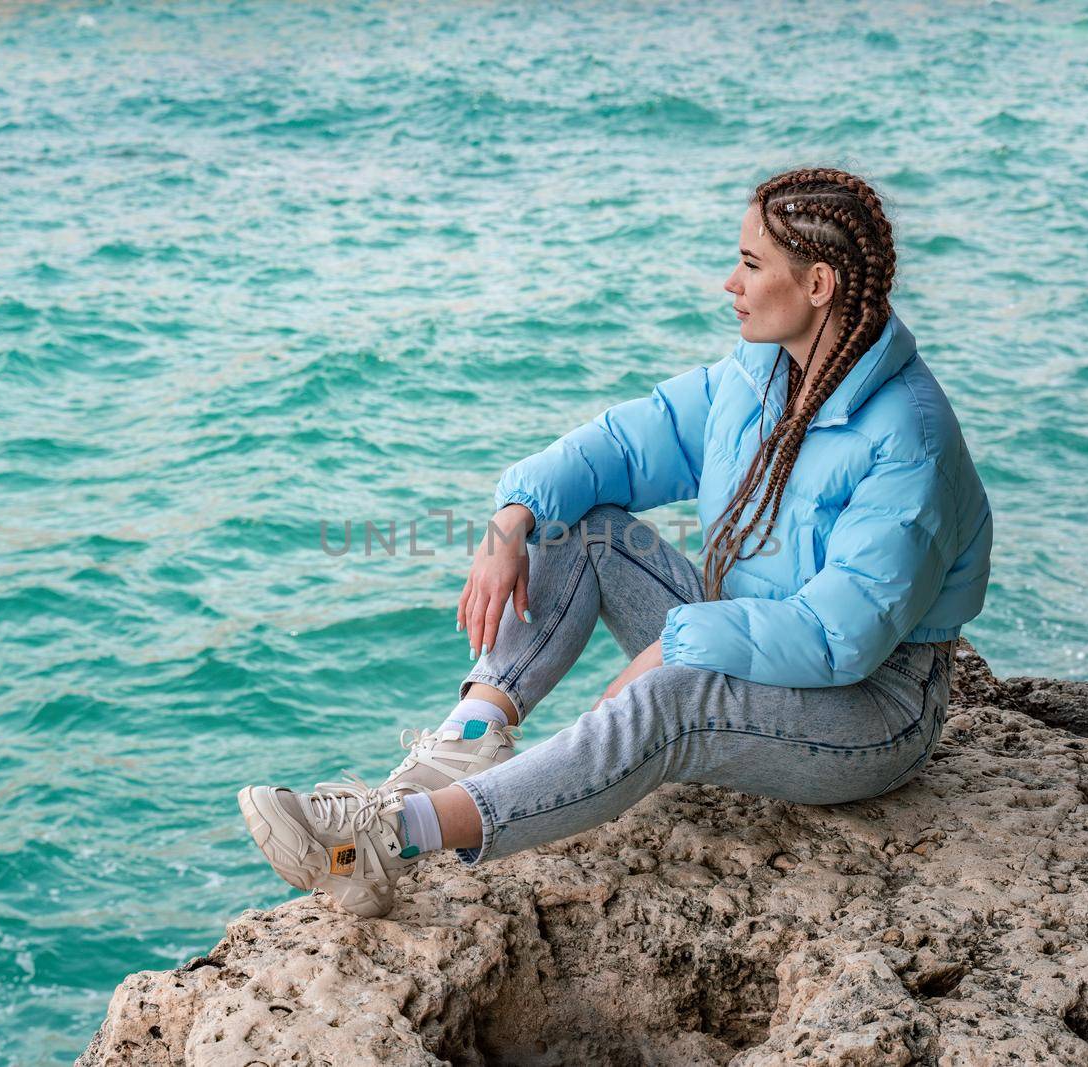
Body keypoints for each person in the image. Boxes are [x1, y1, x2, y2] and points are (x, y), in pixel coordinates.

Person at [238, 166, 993, 918]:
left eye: (752, 264)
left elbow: (841, 635)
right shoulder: (762, 375)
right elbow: (629, 444)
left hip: (872, 708)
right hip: (752, 629)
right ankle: (470, 736)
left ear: (819, 283)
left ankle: (384, 840)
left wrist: (676, 643)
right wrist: (513, 516)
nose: (729, 282)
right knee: (583, 523)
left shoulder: (909, 439)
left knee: (670, 697)